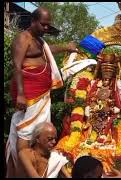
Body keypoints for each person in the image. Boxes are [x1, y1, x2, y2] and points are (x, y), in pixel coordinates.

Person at [6, 7, 78, 177]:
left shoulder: (39, 41)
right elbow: (17, 66)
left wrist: (67, 47)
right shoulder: (23, 38)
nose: (46, 28)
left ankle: (36, 169)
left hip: (43, 95)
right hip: (29, 97)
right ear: (33, 21)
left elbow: (47, 51)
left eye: (48, 25)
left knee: (39, 135)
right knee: (25, 134)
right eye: (43, 25)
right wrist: (21, 95)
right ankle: (22, 173)